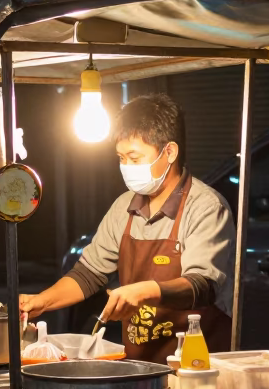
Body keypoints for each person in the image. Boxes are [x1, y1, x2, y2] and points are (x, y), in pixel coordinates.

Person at [20, 94, 235, 363]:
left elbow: (203, 285)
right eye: (121, 158)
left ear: (169, 152)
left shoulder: (205, 207)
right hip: (139, 368)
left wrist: (142, 291)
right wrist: (43, 301)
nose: (127, 167)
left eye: (135, 158)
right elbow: (89, 274)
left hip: (198, 365)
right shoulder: (124, 207)